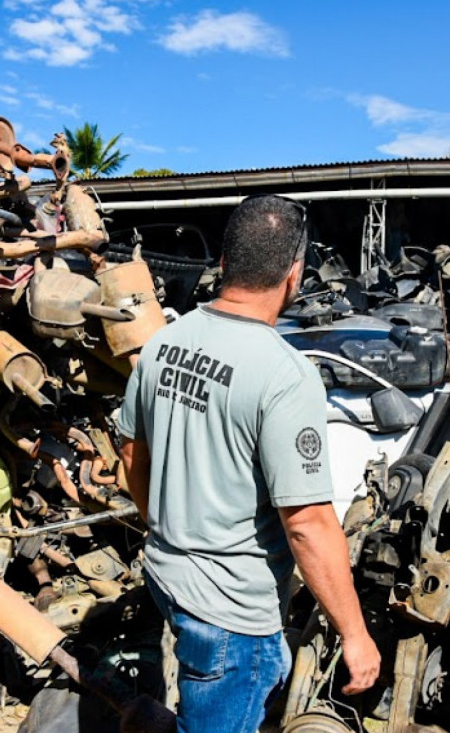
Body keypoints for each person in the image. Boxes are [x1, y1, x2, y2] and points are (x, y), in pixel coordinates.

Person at [117, 194, 380, 732]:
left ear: (223, 263)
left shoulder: (165, 343)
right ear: (295, 273)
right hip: (231, 615)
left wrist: (166, 527)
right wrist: (354, 634)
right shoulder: (285, 373)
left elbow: (129, 451)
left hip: (167, 575)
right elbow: (306, 522)